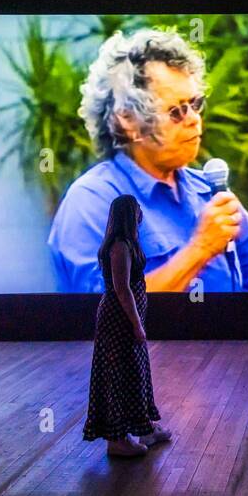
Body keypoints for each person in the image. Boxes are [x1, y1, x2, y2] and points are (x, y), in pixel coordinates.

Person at [47, 28, 248, 293]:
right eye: (177, 111)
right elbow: (106, 310)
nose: (194, 120)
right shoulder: (93, 201)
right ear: (128, 120)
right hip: (146, 362)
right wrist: (200, 249)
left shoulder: (207, 190)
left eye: (195, 104)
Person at [82, 195, 169, 458]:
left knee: (136, 372)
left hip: (126, 320)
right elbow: (122, 290)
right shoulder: (120, 247)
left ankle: (144, 427)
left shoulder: (130, 244)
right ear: (130, 215)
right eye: (137, 210)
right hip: (118, 321)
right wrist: (136, 324)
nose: (142, 213)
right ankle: (116, 439)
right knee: (118, 375)